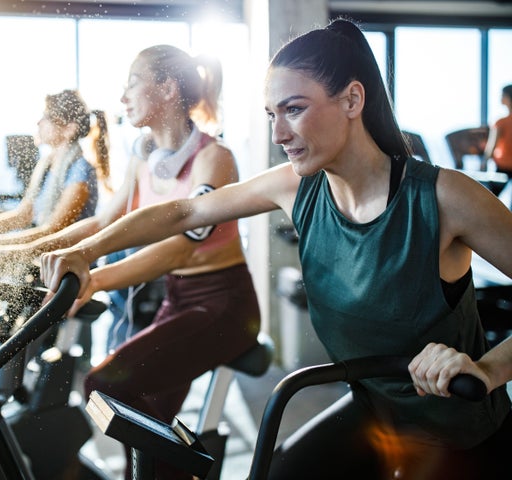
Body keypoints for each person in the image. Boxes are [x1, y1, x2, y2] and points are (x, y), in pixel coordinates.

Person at [40, 19, 512, 479]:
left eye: (293, 109)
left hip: (457, 433)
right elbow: (185, 213)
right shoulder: (297, 187)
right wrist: (88, 252)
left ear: (352, 99)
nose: (278, 134)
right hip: (373, 410)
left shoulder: (445, 198)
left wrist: (487, 369)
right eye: (271, 114)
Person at [13, 44, 261, 478]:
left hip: (224, 304)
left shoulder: (214, 159)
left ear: (166, 88)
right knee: (149, 425)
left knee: (104, 387)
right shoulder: (144, 156)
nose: (123, 97)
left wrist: (94, 279)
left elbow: (182, 248)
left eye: (132, 83)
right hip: (178, 299)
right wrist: (27, 252)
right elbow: (105, 223)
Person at [0, 89, 110, 249]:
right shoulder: (46, 165)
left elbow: (52, 231)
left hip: (68, 269)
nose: (39, 123)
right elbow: (22, 216)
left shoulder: (81, 170)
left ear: (69, 129)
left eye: (47, 117)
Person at [485, 84, 512, 178]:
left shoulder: (501, 122)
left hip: (503, 165)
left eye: (502, 95)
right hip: (504, 165)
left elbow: (492, 145)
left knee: (490, 192)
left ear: (508, 98)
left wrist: (484, 162)